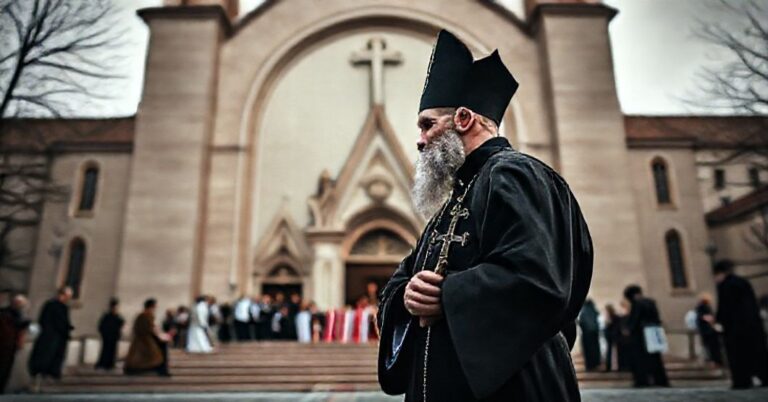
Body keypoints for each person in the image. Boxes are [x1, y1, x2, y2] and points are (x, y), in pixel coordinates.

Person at [376, 30, 593, 401]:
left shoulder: (514, 175)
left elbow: (540, 278)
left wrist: (450, 295)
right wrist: (406, 296)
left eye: (427, 124)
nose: (420, 140)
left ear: (463, 118)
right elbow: (402, 278)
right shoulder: (454, 200)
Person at [713, 259, 768, 389]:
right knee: (756, 353)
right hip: (752, 325)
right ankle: (764, 377)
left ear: (719, 274)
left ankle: (742, 380)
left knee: (737, 356)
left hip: (734, 328)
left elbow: (724, 307)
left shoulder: (724, 286)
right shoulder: (743, 282)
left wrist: (718, 321)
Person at [622, 285, 669, 387]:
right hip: (653, 332)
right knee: (656, 359)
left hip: (640, 335)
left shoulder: (637, 304)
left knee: (640, 360)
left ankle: (642, 381)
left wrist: (628, 329)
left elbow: (635, 319)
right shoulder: (651, 302)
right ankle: (660, 380)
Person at [28, 287, 73, 380]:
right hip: (54, 336)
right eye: (68, 296)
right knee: (48, 355)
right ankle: (45, 372)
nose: (68, 299)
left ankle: (44, 372)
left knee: (48, 354)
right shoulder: (58, 306)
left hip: (50, 335)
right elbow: (60, 322)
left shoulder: (51, 305)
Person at [124, 298, 171, 376]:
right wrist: (161, 336)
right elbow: (151, 328)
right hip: (145, 340)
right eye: (154, 306)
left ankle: (161, 370)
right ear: (151, 306)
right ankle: (161, 371)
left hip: (143, 339)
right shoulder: (146, 315)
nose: (155, 308)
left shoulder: (144, 315)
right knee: (155, 355)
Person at [0, 295, 30, 393]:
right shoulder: (9, 314)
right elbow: (18, 325)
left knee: (6, 369)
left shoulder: (10, 313)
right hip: (6, 345)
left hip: (9, 346)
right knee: (4, 369)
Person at [95, 298, 125, 370]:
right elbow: (101, 327)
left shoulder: (116, 316)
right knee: (106, 350)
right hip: (108, 337)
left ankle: (110, 364)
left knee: (112, 350)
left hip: (113, 336)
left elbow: (121, 323)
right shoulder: (107, 316)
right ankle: (105, 364)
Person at [694, 292, 723, 367]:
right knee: (711, 347)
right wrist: (712, 321)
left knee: (711, 347)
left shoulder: (703, 307)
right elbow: (705, 317)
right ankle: (714, 361)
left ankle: (714, 360)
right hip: (708, 331)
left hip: (708, 331)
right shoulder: (702, 307)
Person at [578, 299, 601, 371]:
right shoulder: (594, 310)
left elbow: (581, 322)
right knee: (595, 349)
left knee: (588, 351)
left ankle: (590, 366)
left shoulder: (584, 311)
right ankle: (596, 364)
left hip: (586, 334)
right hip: (594, 333)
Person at [603, 304, 622, 372]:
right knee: (610, 353)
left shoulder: (615, 317)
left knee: (614, 353)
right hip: (610, 337)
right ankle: (609, 367)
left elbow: (616, 328)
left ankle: (615, 367)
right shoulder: (609, 317)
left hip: (614, 337)